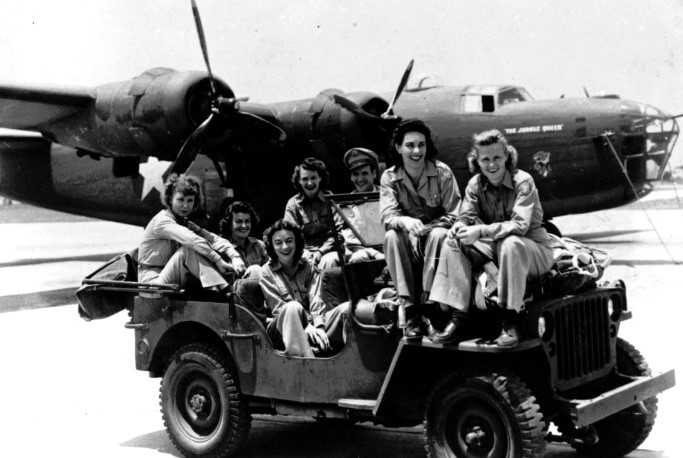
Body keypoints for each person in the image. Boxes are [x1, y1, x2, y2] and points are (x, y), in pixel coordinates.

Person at [430, 130, 554, 347]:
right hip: (497, 249)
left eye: (497, 157)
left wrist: (480, 231)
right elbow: (466, 216)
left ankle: (510, 321)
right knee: (453, 243)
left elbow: (519, 226)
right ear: (476, 161)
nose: (492, 165)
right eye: (485, 159)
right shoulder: (475, 185)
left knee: (511, 244)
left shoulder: (523, 181)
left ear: (507, 156)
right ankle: (459, 318)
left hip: (533, 251)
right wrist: (458, 227)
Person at [380, 119, 461, 339]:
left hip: (436, 241)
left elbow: (454, 214)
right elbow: (388, 216)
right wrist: (406, 223)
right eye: (410, 145)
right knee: (391, 236)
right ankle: (410, 311)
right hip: (409, 244)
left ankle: (429, 306)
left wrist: (423, 231)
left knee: (438, 234)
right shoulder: (389, 177)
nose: (416, 151)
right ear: (398, 147)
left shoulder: (442, 173)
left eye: (421, 145)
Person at [137, 174, 246, 293]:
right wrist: (218, 260)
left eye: (190, 200)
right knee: (187, 250)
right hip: (151, 283)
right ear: (170, 199)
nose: (185, 205)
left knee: (201, 251)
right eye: (180, 200)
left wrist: (234, 256)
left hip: (170, 279)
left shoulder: (183, 222)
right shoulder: (163, 221)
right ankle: (222, 292)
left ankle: (221, 290)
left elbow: (212, 239)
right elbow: (192, 240)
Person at [259, 219, 347, 357]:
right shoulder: (266, 272)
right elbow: (279, 308)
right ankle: (308, 367)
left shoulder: (308, 266)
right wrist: (305, 325)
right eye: (278, 243)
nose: (284, 247)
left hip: (313, 323)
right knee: (293, 307)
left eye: (289, 241)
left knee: (347, 309)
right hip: (282, 328)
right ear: (271, 246)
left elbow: (316, 298)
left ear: (296, 242)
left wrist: (319, 326)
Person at [284, 157, 339, 269]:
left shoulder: (331, 200)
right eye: (305, 179)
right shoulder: (293, 204)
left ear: (320, 178)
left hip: (329, 251)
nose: (309, 183)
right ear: (299, 180)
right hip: (304, 252)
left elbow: (339, 232)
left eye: (313, 178)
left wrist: (321, 251)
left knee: (329, 262)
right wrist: (304, 253)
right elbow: (291, 235)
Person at [341, 147, 385, 263]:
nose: (360, 179)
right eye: (355, 174)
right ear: (351, 177)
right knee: (357, 258)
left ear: (374, 174)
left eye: (364, 173)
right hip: (363, 255)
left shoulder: (387, 197)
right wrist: (374, 253)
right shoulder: (346, 204)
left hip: (390, 250)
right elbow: (350, 241)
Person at [219, 201, 269, 278]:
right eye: (239, 222)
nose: (244, 226)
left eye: (247, 221)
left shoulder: (260, 245)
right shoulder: (223, 248)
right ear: (229, 224)